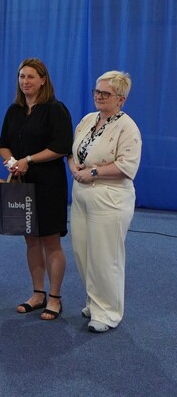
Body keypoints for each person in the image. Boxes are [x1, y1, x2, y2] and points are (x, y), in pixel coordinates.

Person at [0, 58, 73, 320]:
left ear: (43, 80)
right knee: (30, 240)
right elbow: (3, 144)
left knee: (51, 242)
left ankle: (55, 297)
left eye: (31, 76)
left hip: (49, 184)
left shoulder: (55, 109)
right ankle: (38, 293)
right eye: (21, 77)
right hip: (22, 184)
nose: (25, 81)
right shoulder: (14, 110)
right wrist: (12, 163)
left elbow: (61, 146)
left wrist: (27, 160)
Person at [68, 71, 141, 333]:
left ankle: (108, 312)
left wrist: (94, 172)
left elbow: (127, 166)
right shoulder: (88, 119)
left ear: (121, 99)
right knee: (83, 252)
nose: (99, 96)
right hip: (81, 194)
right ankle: (94, 301)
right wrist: (74, 166)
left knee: (105, 257)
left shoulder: (128, 127)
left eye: (105, 93)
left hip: (110, 197)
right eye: (97, 91)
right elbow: (72, 152)